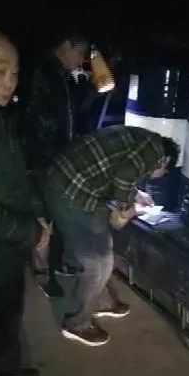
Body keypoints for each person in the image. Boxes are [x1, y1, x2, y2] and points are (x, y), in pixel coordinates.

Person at [41, 125, 180, 346]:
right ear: (164, 162)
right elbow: (124, 175)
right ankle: (77, 323)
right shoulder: (153, 151)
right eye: (163, 173)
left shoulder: (145, 140)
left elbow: (118, 168)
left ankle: (102, 302)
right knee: (98, 263)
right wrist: (127, 206)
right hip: (71, 192)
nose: (159, 177)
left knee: (101, 246)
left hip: (69, 184)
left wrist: (135, 194)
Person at [0, 30, 52, 376]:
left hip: (5, 256)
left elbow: (10, 178)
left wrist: (35, 215)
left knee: (3, 325)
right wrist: (30, 232)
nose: (10, 81)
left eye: (14, 72)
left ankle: (5, 370)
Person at [19, 32, 103, 298]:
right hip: (40, 159)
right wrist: (36, 160)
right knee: (44, 216)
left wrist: (92, 89)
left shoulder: (62, 76)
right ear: (66, 45)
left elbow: (72, 114)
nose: (81, 60)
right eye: (80, 53)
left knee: (54, 214)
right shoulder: (40, 72)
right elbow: (30, 120)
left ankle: (55, 267)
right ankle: (44, 273)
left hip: (54, 158)